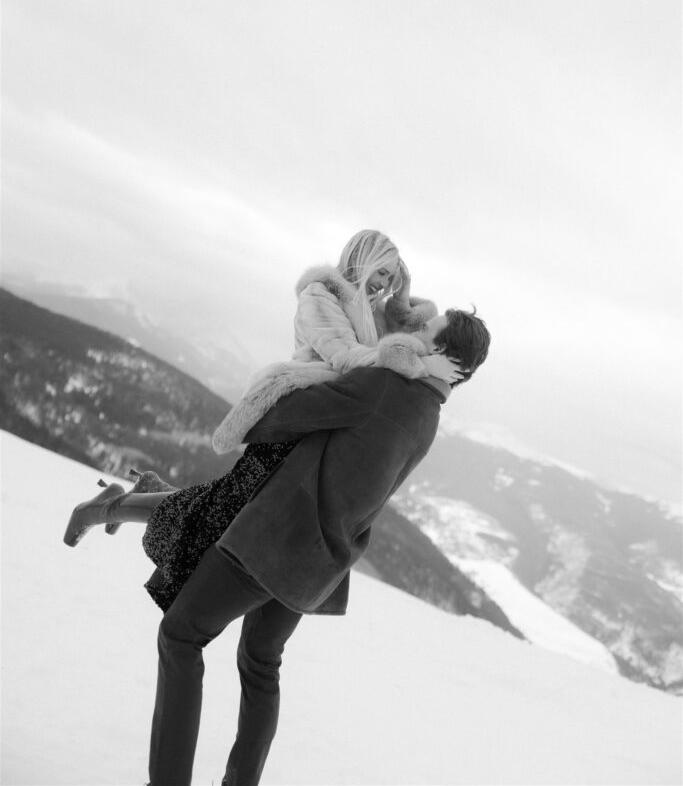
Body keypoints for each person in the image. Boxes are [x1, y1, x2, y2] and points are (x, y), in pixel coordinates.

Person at [148, 307, 491, 786]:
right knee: (261, 663)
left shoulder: (387, 387)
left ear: (436, 351)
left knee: (181, 635)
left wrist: (265, 413)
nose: (413, 334)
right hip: (319, 567)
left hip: (274, 540)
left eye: (424, 333)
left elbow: (290, 414)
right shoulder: (428, 413)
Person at [63, 230, 459, 612]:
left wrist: (402, 299)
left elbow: (415, 329)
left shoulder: (372, 311)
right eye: (380, 273)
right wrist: (399, 359)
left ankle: (138, 495)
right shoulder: (320, 296)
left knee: (224, 508)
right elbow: (345, 356)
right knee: (219, 513)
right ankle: (102, 509)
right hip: (296, 421)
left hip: (325, 428)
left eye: (390, 278)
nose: (383, 285)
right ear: (361, 260)